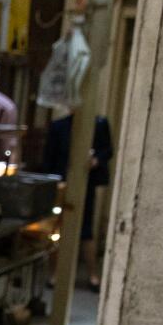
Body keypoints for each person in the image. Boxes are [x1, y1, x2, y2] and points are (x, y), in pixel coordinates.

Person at [41, 112, 113, 291]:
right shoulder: (60, 126)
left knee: (86, 228)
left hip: (85, 182)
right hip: (62, 183)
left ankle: (92, 274)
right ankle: (54, 273)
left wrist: (95, 160)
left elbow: (107, 150)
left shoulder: (98, 124)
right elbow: (50, 156)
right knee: (57, 228)